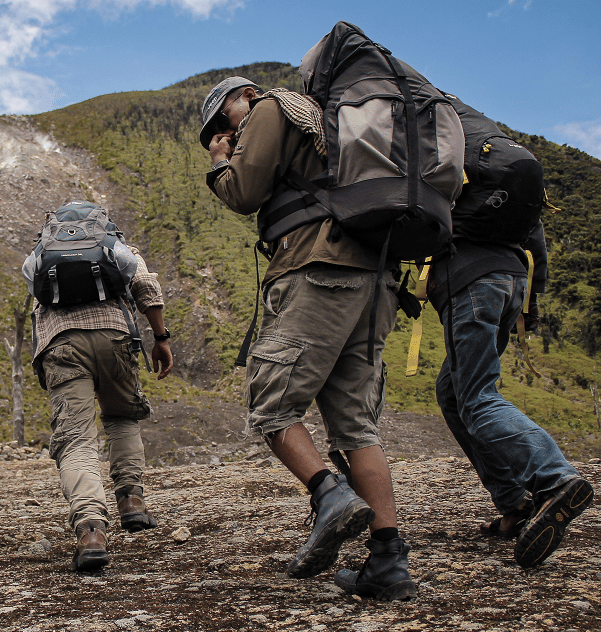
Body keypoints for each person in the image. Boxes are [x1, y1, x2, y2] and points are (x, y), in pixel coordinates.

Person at [200, 77, 416, 600]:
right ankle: (388, 560)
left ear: (242, 96)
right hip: (375, 281)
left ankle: (329, 494)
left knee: (271, 404)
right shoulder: (325, 120)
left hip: (318, 270)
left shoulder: (271, 108)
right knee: (355, 427)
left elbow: (244, 193)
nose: (222, 131)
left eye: (219, 121)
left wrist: (219, 161)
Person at [431, 223, 594, 568]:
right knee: (451, 392)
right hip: (513, 281)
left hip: (471, 280)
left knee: (476, 397)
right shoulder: (513, 169)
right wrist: (532, 297)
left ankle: (555, 479)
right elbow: (535, 236)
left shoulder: (448, 169)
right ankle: (515, 505)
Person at [26, 201, 174, 572]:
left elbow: (35, 297)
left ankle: (91, 530)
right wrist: (161, 337)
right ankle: (132, 501)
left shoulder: (44, 250)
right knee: (122, 417)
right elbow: (146, 287)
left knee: (76, 439)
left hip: (61, 343)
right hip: (115, 336)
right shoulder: (115, 244)